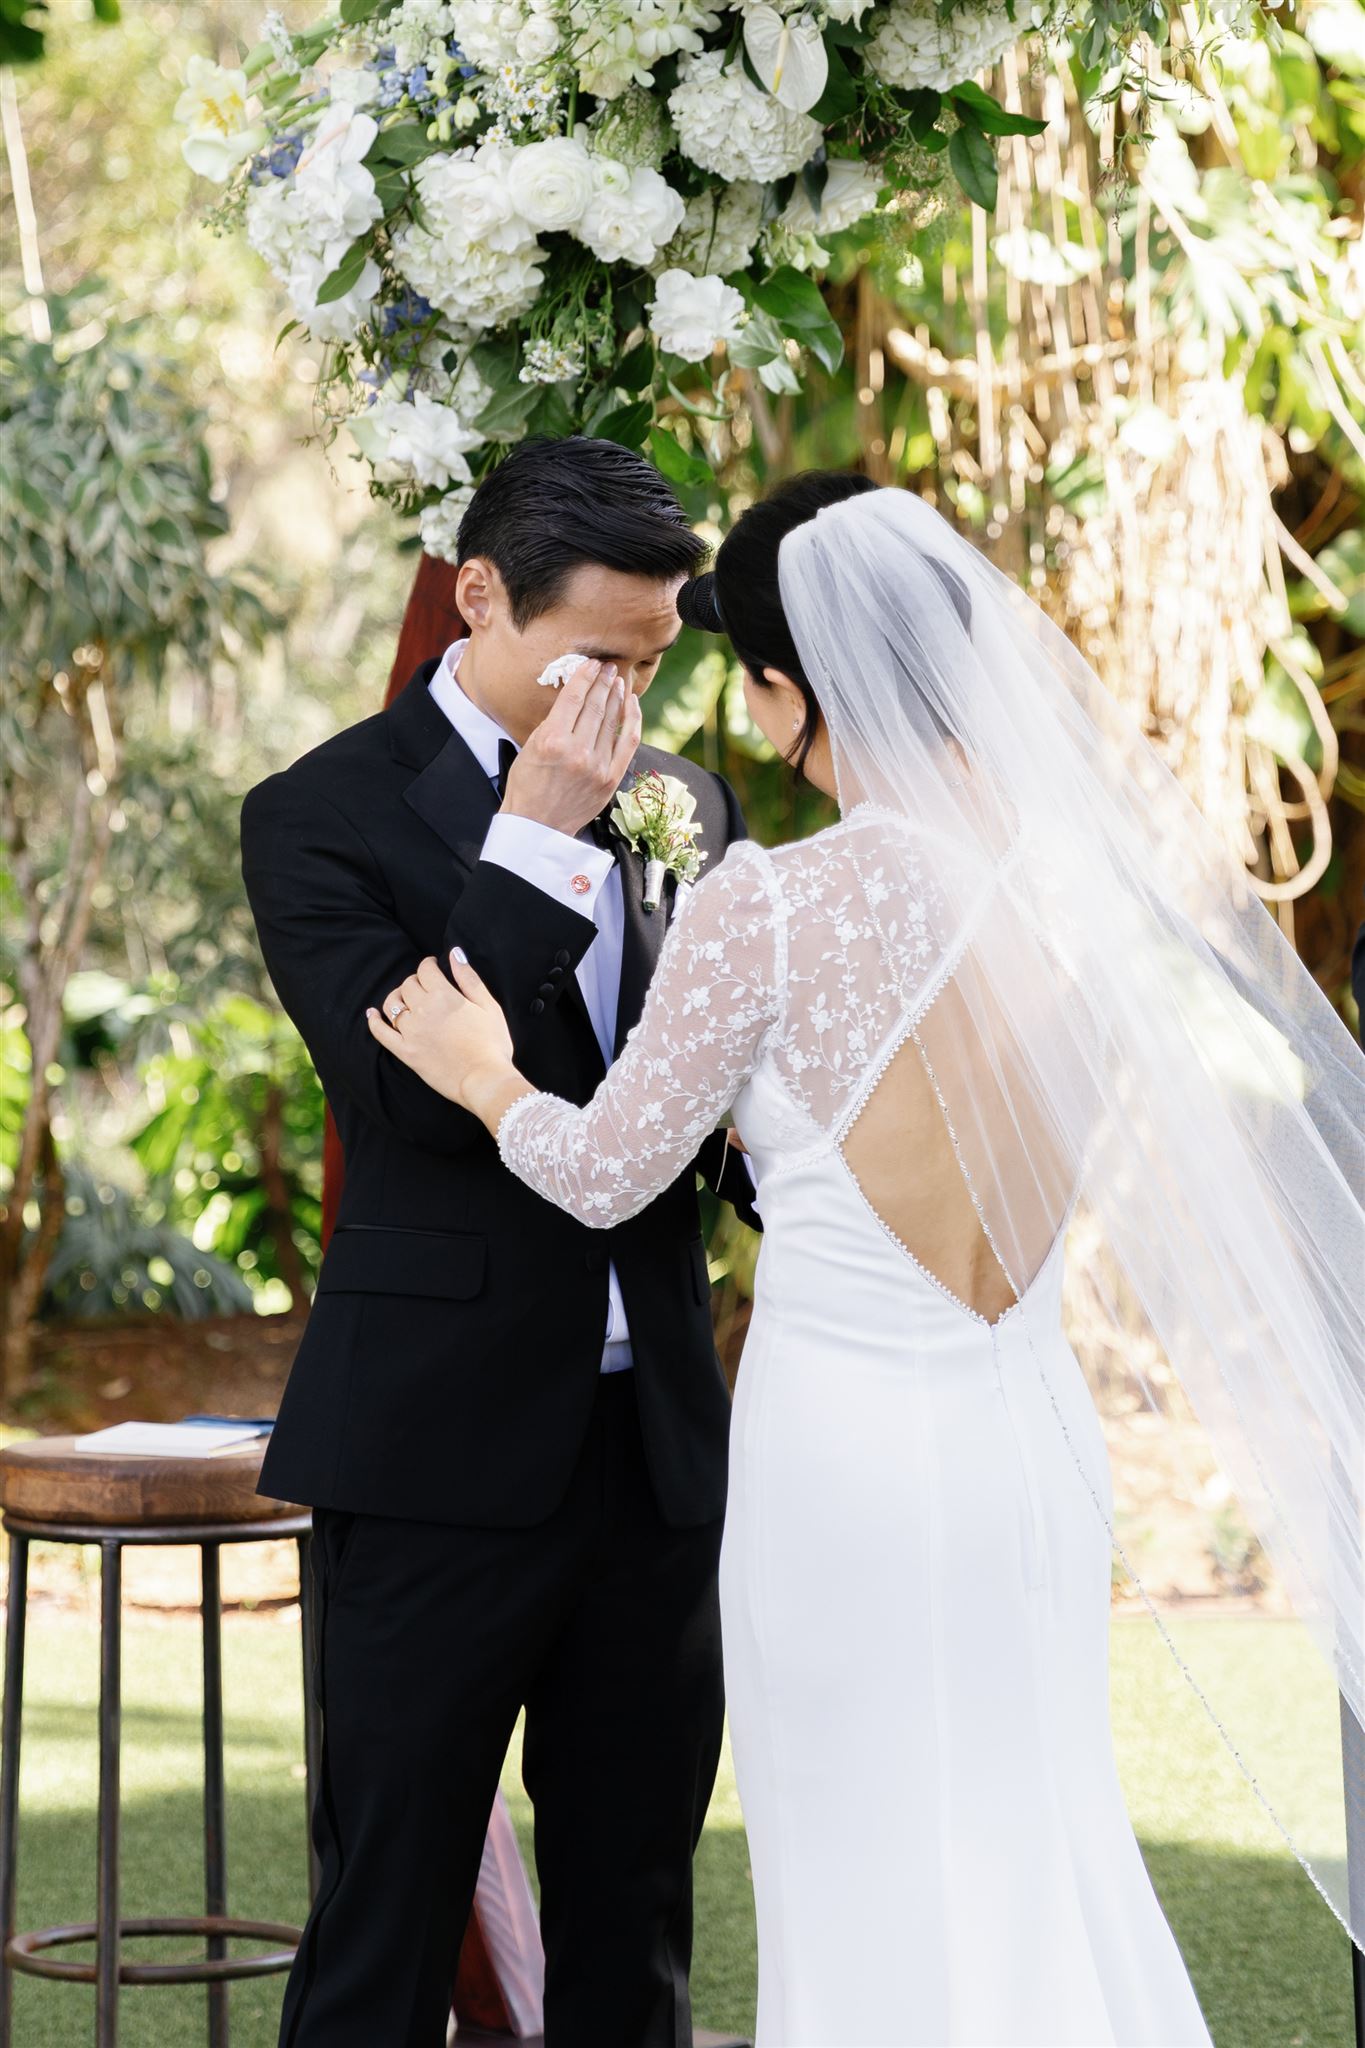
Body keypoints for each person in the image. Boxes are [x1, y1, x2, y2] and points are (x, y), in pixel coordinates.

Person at [370, 475, 1365, 2046]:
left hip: (844, 1463)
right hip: (1027, 1449)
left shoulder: (772, 902)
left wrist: (488, 1074)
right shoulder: (1076, 900)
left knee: (863, 1865)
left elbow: (613, 1168)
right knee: (1034, 1843)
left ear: (785, 692)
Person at [240, 436, 759, 2048]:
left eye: (656, 657)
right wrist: (534, 830)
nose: (627, 694)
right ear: (480, 598)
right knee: (384, 1920)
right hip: (432, 1453)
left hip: (655, 1458)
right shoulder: (318, 815)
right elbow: (405, 1108)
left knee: (634, 1930)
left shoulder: (689, 806)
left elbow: (713, 1103)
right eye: (596, 654)